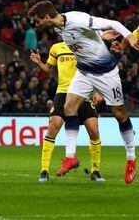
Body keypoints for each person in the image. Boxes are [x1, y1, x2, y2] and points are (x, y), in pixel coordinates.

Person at [28, 0, 139, 184]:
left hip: (105, 73)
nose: (37, 25)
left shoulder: (77, 19)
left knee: (119, 113)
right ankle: (71, 157)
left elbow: (114, 23)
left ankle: (130, 158)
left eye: (38, 21)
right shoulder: (58, 29)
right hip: (84, 72)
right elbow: (83, 37)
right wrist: (101, 36)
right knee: (69, 107)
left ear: (46, 17)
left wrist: (130, 36)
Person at [30, 45, 104, 182]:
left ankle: (95, 170)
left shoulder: (85, 45)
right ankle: (44, 170)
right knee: (53, 126)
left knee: (94, 129)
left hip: (83, 92)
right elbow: (48, 69)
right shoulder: (56, 48)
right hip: (63, 92)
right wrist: (39, 62)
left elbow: (96, 70)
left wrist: (97, 90)